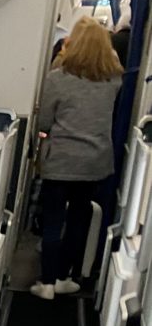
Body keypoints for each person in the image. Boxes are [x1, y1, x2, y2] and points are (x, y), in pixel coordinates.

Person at [31, 18, 124, 300]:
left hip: (61, 160)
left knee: (53, 221)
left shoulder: (57, 78)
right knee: (78, 221)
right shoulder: (113, 81)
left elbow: (44, 122)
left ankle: (47, 283)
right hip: (94, 162)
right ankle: (63, 277)